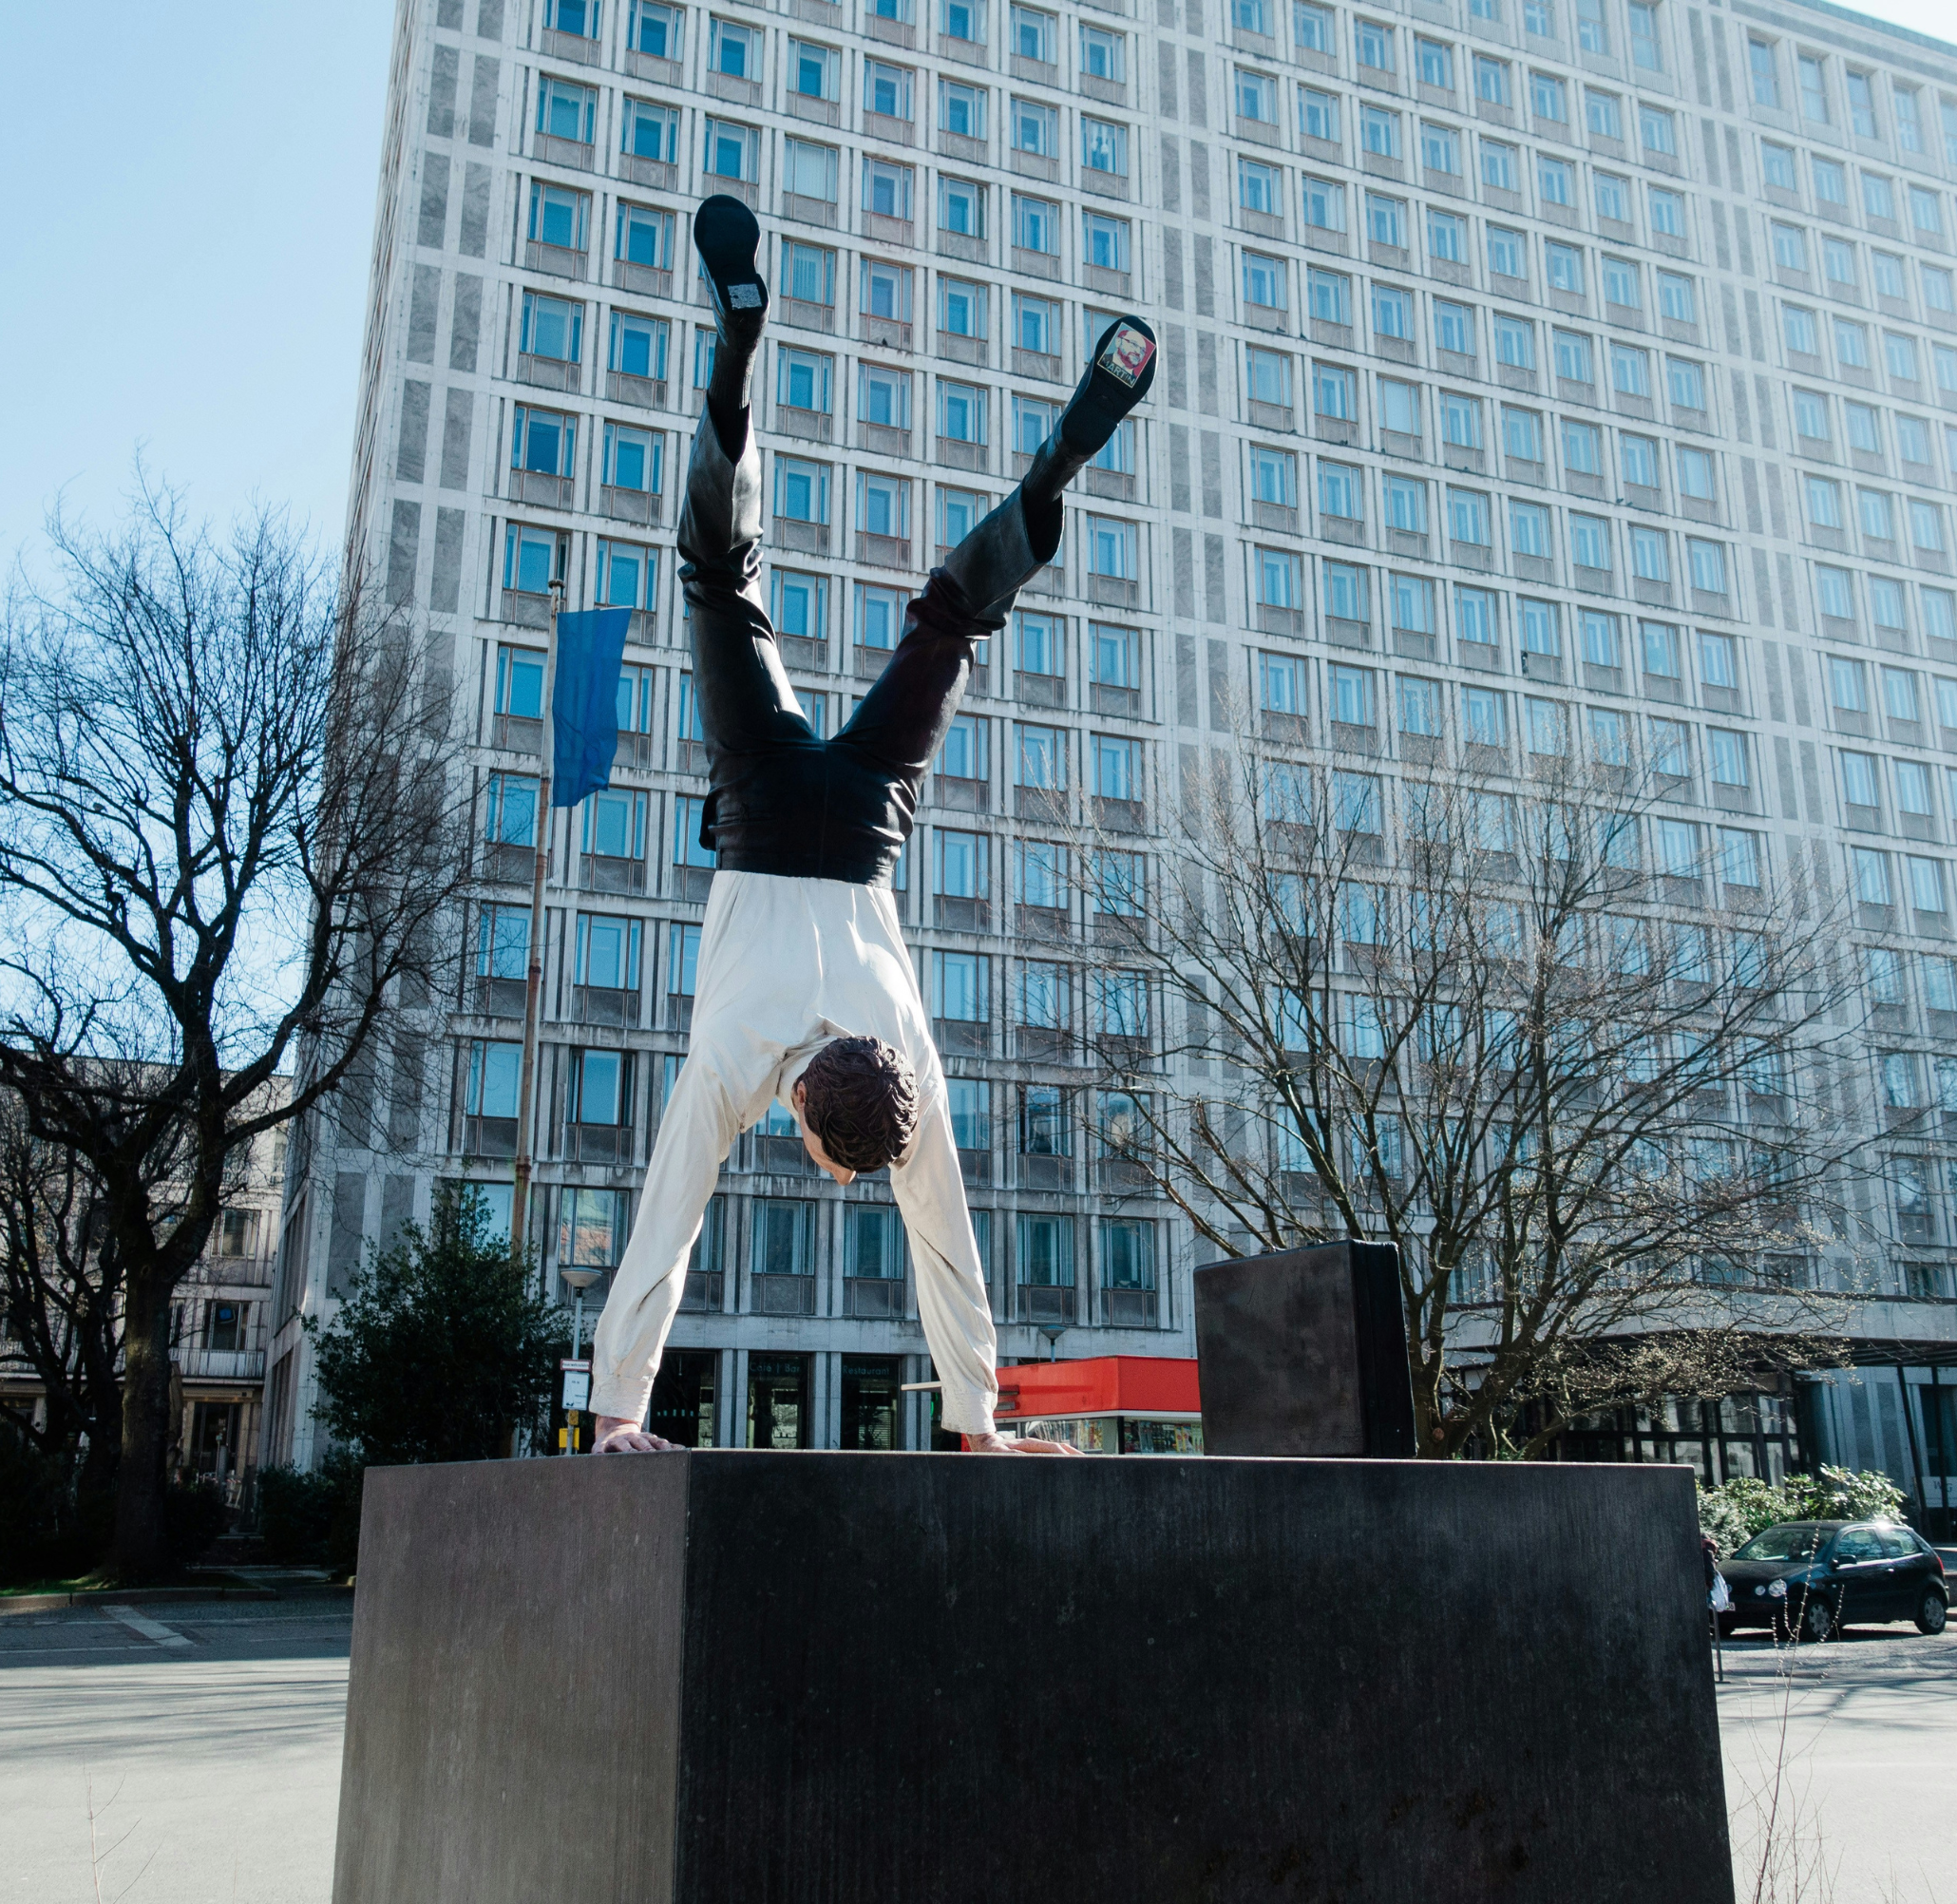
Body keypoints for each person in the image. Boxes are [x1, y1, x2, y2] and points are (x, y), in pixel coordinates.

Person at [589, 196, 1159, 1455]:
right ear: (805, 1114)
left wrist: (979, 1419)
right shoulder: (741, 1064)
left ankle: (1048, 478)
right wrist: (616, 1412)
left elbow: (945, 1246)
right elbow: (667, 1230)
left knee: (948, 622)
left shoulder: (907, 1062)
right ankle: (732, 359)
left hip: (863, 824)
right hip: (762, 809)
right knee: (718, 578)